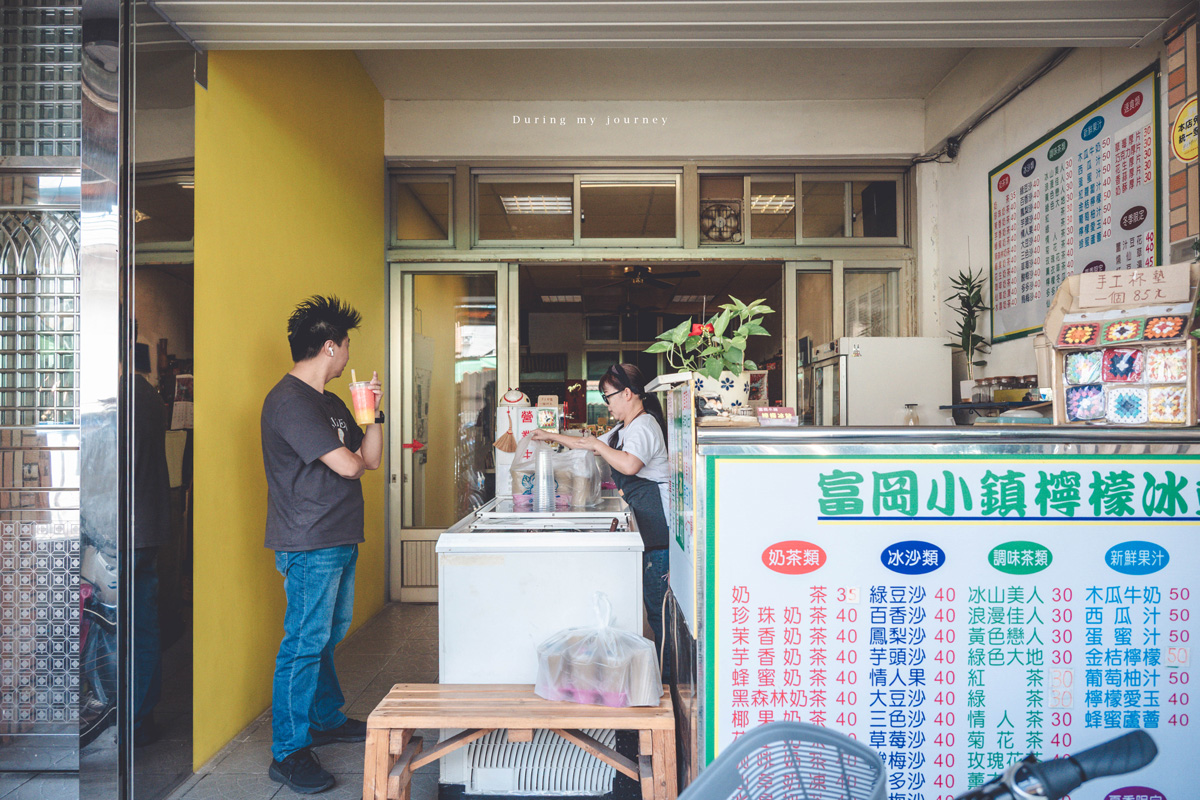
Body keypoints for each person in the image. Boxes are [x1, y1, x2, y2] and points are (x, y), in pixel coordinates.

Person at [261, 295, 383, 794]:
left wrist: (372, 414)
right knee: (304, 644)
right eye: (347, 343)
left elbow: (371, 458)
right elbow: (349, 465)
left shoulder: (331, 402)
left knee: (328, 635)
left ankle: (325, 718)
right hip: (309, 540)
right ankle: (288, 750)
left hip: (336, 535)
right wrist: (359, 441)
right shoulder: (289, 401)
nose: (350, 352)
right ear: (330, 347)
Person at [531, 363, 672, 671]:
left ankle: (670, 685)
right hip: (647, 528)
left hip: (659, 531)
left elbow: (630, 465)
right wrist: (547, 435)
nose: (607, 403)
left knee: (659, 613)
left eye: (608, 396)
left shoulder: (644, 426)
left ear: (628, 393)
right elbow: (587, 443)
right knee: (652, 609)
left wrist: (596, 443)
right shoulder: (625, 428)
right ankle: (663, 680)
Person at [132, 341, 170, 747]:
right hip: (148, 528)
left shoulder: (116, 399)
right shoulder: (151, 398)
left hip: (121, 533)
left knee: (119, 629)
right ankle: (142, 716)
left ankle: (128, 716)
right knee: (143, 625)